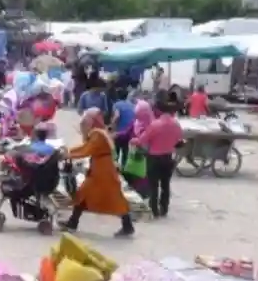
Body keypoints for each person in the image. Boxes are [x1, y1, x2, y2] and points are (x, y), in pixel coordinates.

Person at [59, 108, 135, 237]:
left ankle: (73, 223)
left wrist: (69, 154)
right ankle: (73, 222)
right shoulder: (99, 133)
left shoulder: (97, 135)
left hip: (102, 171)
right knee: (86, 194)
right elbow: (86, 148)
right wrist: (69, 152)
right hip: (102, 168)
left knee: (109, 197)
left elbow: (86, 149)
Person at [131, 101, 183, 218]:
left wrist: (133, 141)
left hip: (154, 159)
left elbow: (141, 140)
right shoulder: (176, 124)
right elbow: (179, 140)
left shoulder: (155, 125)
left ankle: (154, 210)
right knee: (166, 185)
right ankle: (164, 209)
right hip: (168, 158)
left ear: (158, 111)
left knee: (153, 185)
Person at [111, 88, 136, 168]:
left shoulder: (117, 104)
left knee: (116, 153)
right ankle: (124, 168)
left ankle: (115, 170)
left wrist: (111, 126)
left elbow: (117, 116)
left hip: (119, 132)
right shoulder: (132, 105)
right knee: (125, 151)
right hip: (129, 132)